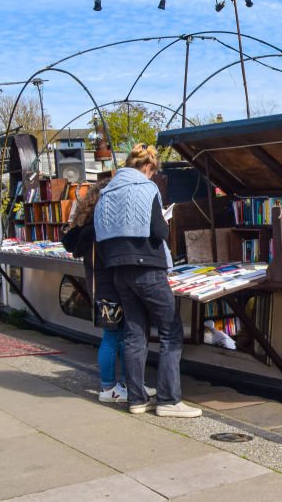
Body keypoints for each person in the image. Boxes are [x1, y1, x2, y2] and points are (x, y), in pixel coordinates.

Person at [95, 144, 200, 418]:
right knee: (170, 331)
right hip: (148, 268)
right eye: (153, 173)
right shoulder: (146, 188)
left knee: (134, 332)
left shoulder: (105, 192)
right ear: (148, 168)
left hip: (119, 270)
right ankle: (168, 401)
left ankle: (137, 400)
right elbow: (158, 230)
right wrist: (165, 222)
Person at [62, 179, 141, 404]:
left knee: (118, 336)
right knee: (115, 337)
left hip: (103, 287)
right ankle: (109, 387)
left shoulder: (89, 226)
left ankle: (124, 384)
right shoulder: (101, 228)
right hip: (110, 288)